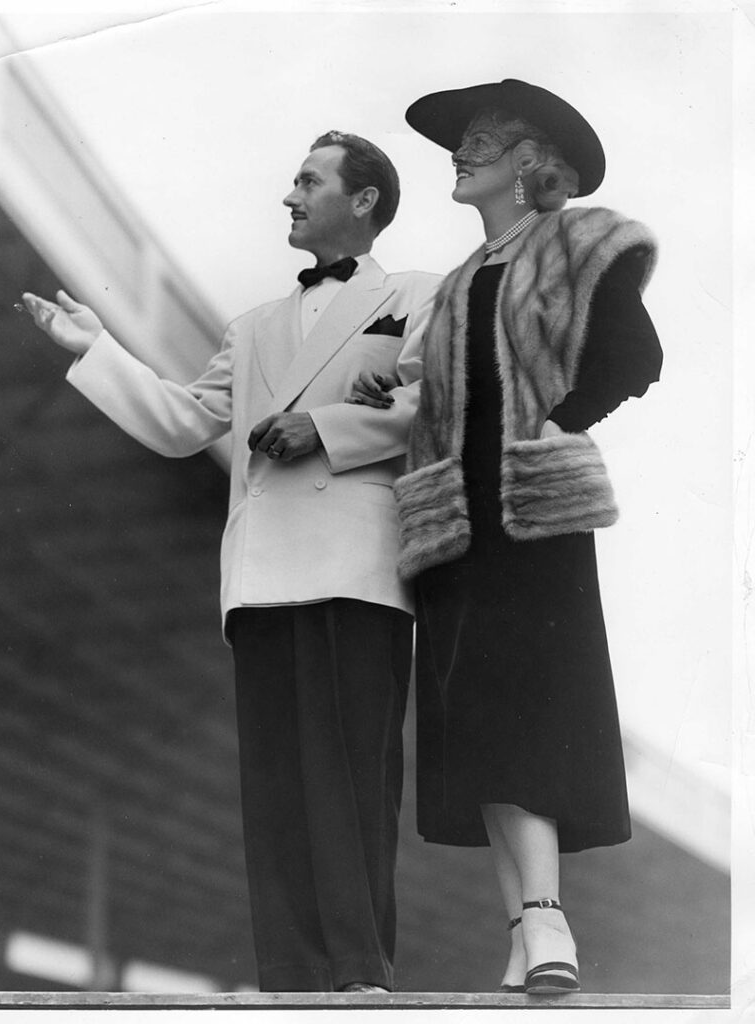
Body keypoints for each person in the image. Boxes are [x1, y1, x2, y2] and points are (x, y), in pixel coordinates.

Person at [21, 130, 440, 994]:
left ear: (363, 201)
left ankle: (360, 972)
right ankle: (289, 972)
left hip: (355, 565)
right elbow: (182, 424)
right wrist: (92, 349)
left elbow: (433, 399)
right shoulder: (250, 328)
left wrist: (324, 427)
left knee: (352, 776)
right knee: (277, 788)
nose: (288, 196)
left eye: (307, 180)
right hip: (260, 576)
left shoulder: (419, 293)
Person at [350, 79, 663, 994]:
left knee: (521, 706)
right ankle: (529, 926)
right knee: (471, 711)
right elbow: (446, 394)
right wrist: (402, 400)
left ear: (532, 161)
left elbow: (635, 357)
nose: (462, 153)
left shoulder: (575, 239)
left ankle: (545, 916)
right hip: (452, 516)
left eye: (483, 140)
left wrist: (560, 424)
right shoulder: (455, 285)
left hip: (529, 508)